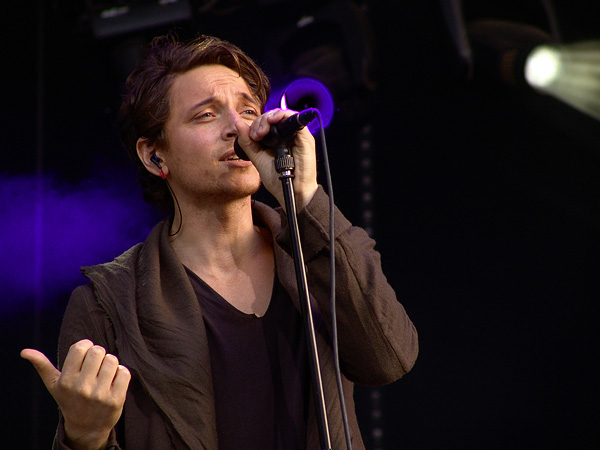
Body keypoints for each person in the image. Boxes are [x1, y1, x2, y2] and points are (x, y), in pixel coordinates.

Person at [21, 34, 418, 450]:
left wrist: (306, 200)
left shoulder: (312, 251)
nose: (238, 128)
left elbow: (390, 358)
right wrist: (85, 437)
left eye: (248, 110)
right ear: (155, 155)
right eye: (207, 115)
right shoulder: (110, 302)